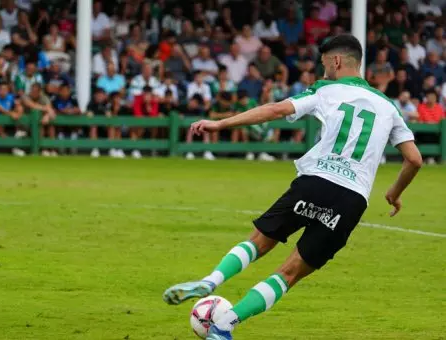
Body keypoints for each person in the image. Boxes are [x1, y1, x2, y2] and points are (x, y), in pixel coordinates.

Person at [162, 35, 423, 339]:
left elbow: (275, 110)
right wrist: (394, 193)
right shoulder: (389, 106)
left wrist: (221, 124)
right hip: (352, 199)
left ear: (336, 61)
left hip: (315, 182)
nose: (322, 70)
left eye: (324, 63)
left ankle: (211, 280)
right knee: (289, 273)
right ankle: (224, 325)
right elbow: (414, 160)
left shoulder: (326, 90)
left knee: (261, 239)